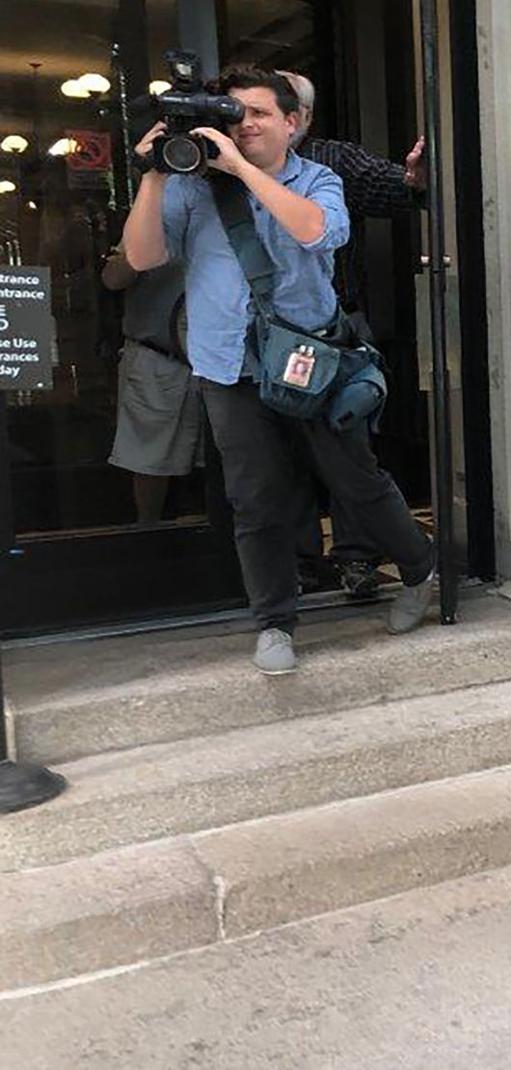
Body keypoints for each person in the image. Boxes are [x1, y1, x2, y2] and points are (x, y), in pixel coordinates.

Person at [123, 65, 437, 676]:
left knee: (355, 481)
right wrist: (154, 176)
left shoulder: (317, 178)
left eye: (258, 113)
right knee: (255, 499)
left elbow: (318, 232)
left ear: (292, 123)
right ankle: (273, 622)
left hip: (309, 360)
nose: (243, 124)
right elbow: (142, 256)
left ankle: (420, 568)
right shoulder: (192, 186)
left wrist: (242, 170)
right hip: (227, 367)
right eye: (232, 113)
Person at [281, 71, 427, 599]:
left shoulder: (331, 162)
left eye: (280, 105)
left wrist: (416, 180)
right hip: (261, 338)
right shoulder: (226, 167)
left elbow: (399, 189)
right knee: (280, 454)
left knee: (348, 446)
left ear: (302, 116)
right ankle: (295, 562)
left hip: (335, 330)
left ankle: (357, 558)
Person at [100, 243, 197, 523]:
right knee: (150, 460)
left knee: (224, 459)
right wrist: (142, 247)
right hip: (157, 355)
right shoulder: (151, 224)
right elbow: (112, 279)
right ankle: (149, 531)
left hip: (218, 360)